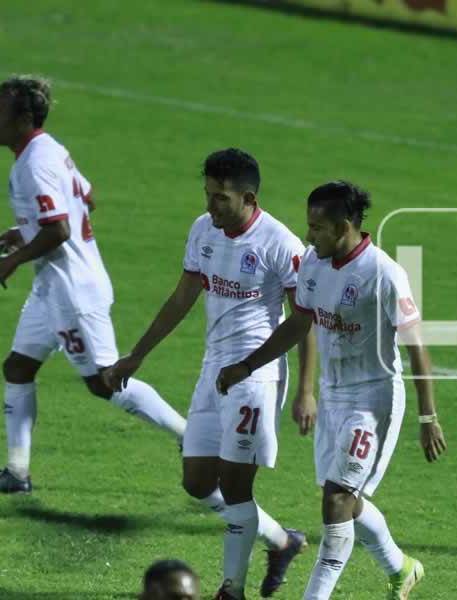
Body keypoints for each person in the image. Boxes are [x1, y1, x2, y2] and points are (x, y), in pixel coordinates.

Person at [216, 181, 448, 600]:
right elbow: (298, 323)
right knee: (346, 501)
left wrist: (428, 417)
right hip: (334, 395)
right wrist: (247, 365)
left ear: (343, 227)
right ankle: (401, 567)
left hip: (373, 399)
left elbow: (417, 346)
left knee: (337, 500)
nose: (309, 236)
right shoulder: (313, 264)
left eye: (317, 228)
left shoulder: (384, 273)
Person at [104, 148, 315, 600]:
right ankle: (282, 540)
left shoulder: (280, 244)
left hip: (254, 378)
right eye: (207, 195)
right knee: (197, 482)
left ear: (248, 198)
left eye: (220, 198)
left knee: (238, 486)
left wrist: (305, 390)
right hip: (212, 371)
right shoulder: (204, 231)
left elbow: (305, 319)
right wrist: (136, 355)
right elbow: (182, 297)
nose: (209, 206)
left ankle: (231, 589)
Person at [0, 75, 186, 495]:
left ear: (24, 118)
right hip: (52, 287)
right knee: (18, 366)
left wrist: (13, 259)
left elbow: (60, 230)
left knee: (105, 382)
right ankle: (17, 471)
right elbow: (88, 197)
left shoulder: (33, 164)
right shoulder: (50, 150)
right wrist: (24, 229)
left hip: (72, 293)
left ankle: (191, 437)